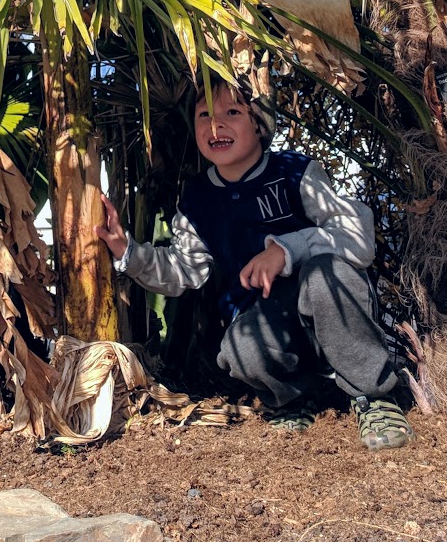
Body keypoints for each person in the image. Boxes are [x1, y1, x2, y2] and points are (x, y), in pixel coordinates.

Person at [97, 78, 413, 450]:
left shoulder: (295, 172)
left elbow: (357, 237)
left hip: (325, 303)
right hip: (264, 317)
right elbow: (184, 270)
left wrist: (286, 250)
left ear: (259, 124)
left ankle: (374, 396)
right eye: (204, 115)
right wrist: (128, 252)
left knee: (326, 276)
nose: (216, 125)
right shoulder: (197, 199)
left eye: (232, 112)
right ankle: (295, 398)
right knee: (240, 351)